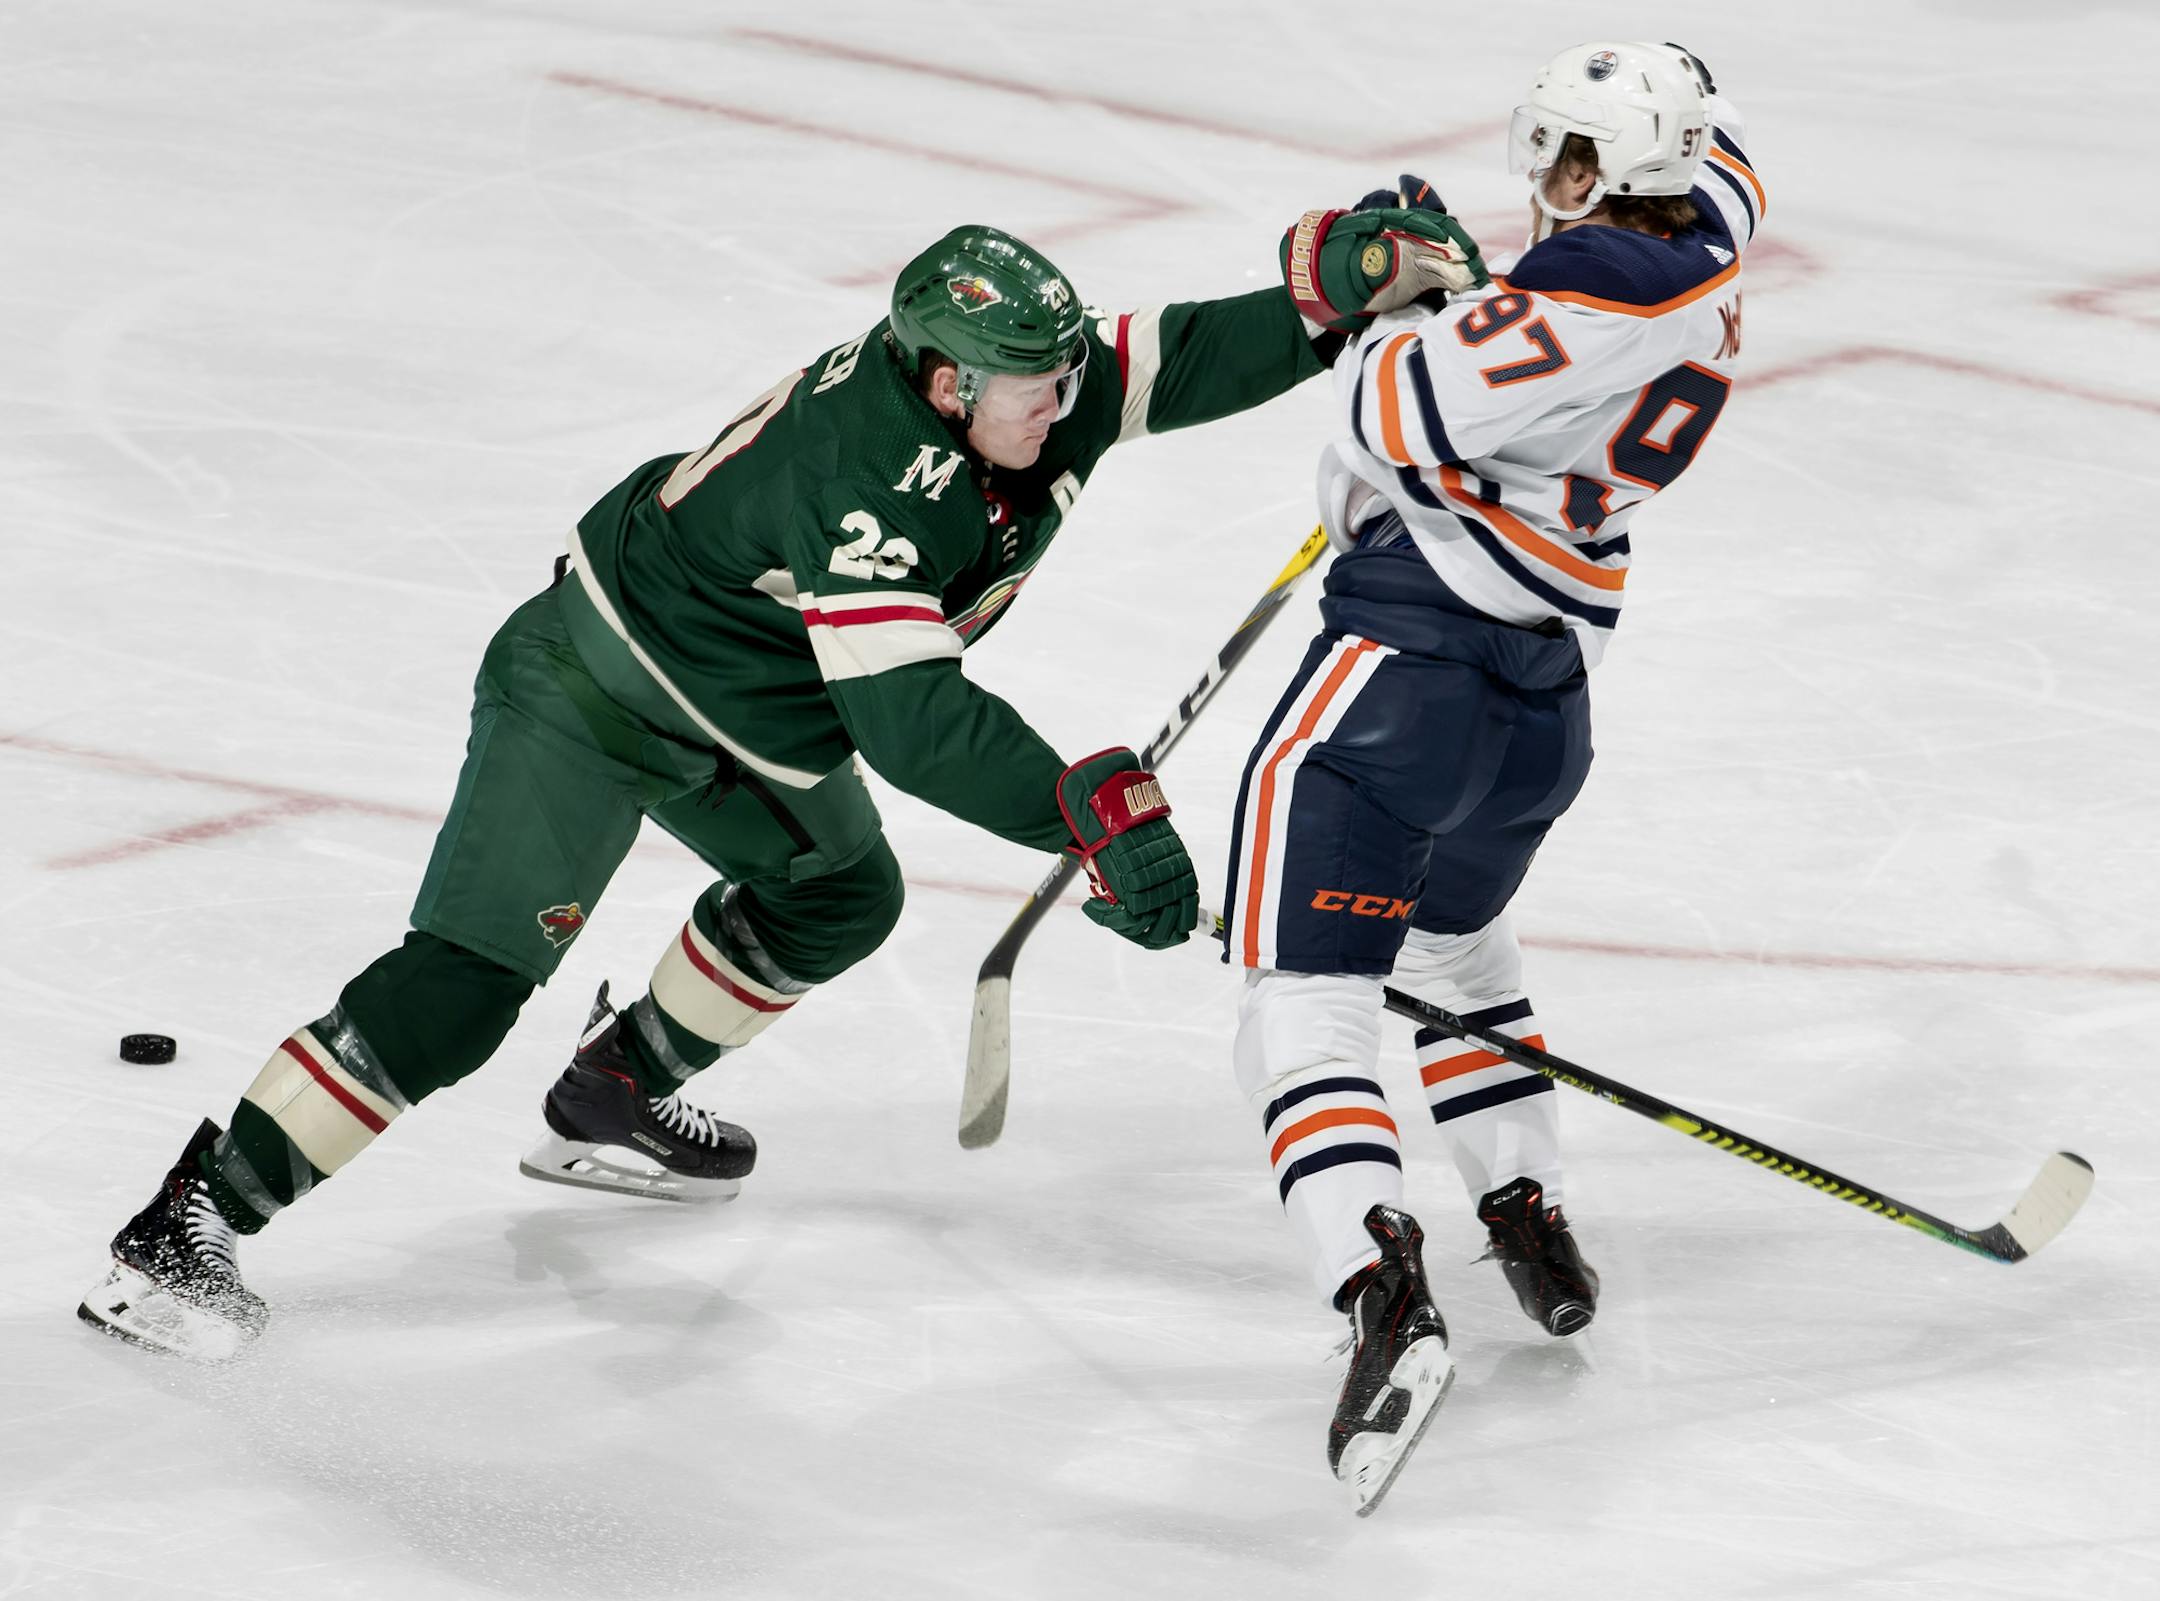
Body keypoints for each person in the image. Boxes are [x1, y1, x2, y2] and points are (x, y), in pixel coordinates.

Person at [78, 212, 1481, 1361]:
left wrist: (1329, 294)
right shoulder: (869, 478)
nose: (1067, 407)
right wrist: (1086, 811)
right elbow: (914, 720)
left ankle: (617, 1090)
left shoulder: (1019, 386)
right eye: (1033, 392)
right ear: (944, 386)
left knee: (836, 892)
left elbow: (1173, 356)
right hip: (597, 685)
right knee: (465, 980)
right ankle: (189, 1220)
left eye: (1061, 380)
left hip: (750, 700)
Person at [1223, 41, 1764, 1509]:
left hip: (1398, 683)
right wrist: (1470, 293)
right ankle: (1524, 1205)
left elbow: (1387, 416)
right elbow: (1692, 181)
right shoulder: (1713, 230)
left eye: (1568, 156)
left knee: (1306, 995)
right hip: (1538, 706)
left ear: (1612, 171)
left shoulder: (1579, 298)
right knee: (1457, 944)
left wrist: (1400, 306)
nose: (1544, 176)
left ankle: (1376, 1282)